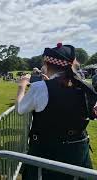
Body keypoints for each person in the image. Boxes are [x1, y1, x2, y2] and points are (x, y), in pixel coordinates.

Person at [16, 43, 95, 180]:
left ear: (47, 64)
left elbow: (20, 109)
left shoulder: (39, 87)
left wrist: (22, 86)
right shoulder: (85, 87)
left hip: (48, 151)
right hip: (77, 149)